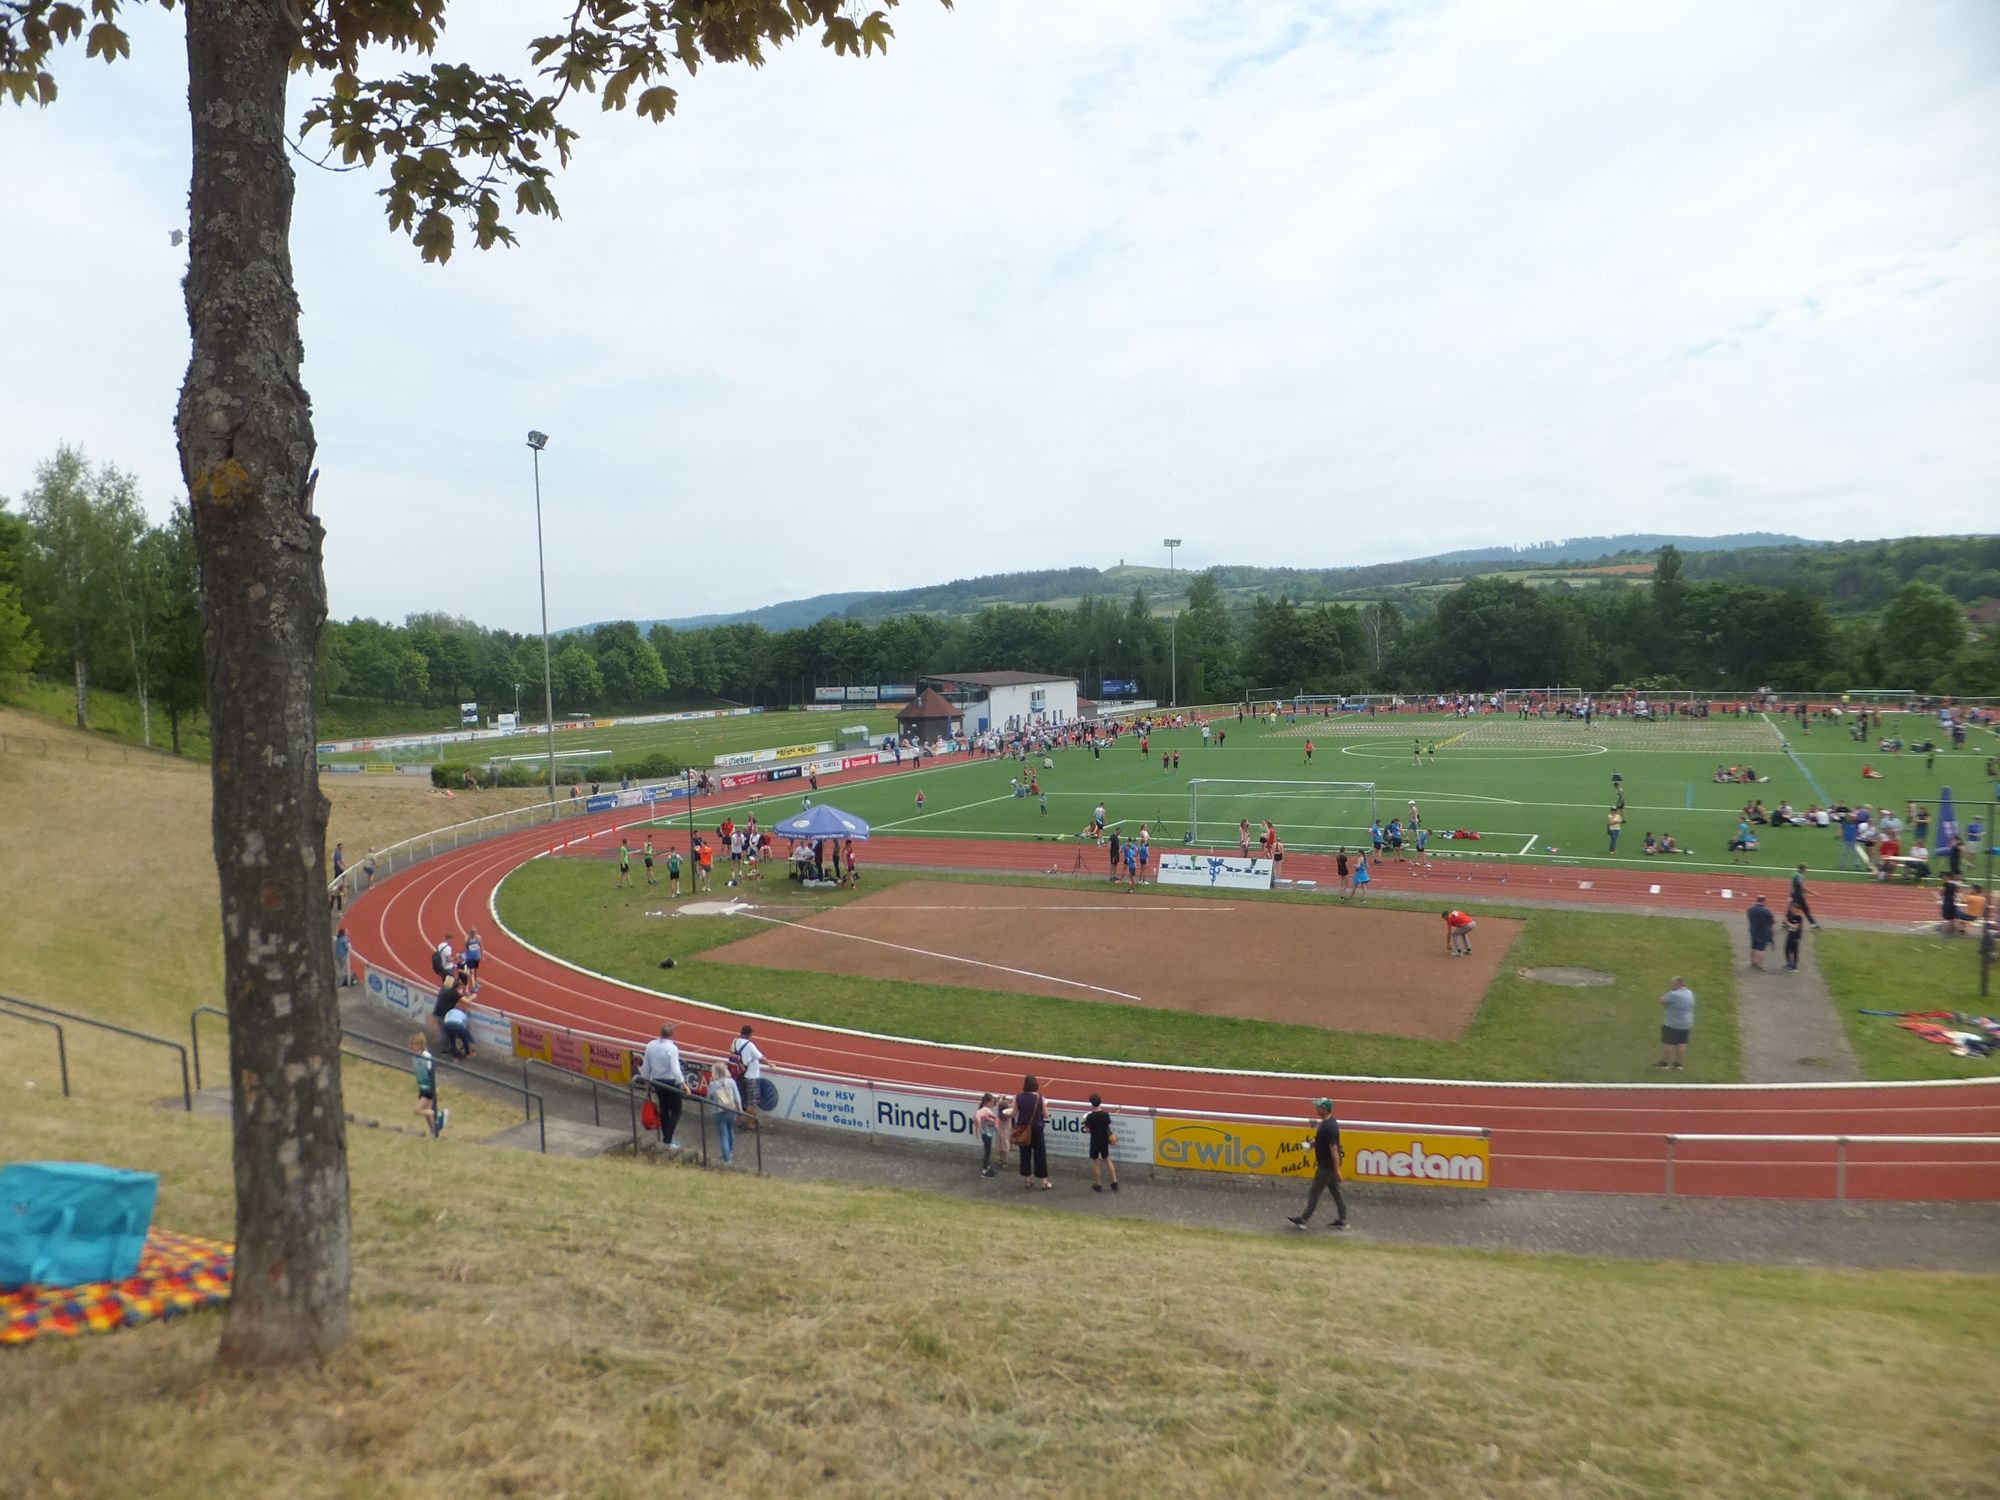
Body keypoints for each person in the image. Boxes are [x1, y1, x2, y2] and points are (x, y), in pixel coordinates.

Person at [1286, 1098, 1348, 1231]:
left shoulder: (1329, 1127)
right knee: (1334, 1190)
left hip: (1327, 1166)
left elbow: (1334, 1149)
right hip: (1329, 1164)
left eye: (1318, 1107)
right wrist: (1311, 1145)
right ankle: (1342, 1218)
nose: (1316, 1109)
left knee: (1315, 1191)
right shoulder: (1327, 1123)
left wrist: (1337, 1170)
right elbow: (1322, 1141)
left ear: (1324, 1109)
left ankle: (1304, 1219)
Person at [640, 1023, 686, 1152]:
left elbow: (646, 1067)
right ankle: (667, 1140)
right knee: (676, 1111)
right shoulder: (672, 1048)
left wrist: (647, 1083)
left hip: (657, 1082)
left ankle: (666, 1139)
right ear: (672, 1034)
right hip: (671, 1082)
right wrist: (684, 1084)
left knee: (664, 1109)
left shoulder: (650, 1045)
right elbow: (676, 1070)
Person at [1014, 1075, 1052, 1189]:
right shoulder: (1040, 1098)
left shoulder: (1018, 1097)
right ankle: (1044, 1181)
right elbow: (1046, 1115)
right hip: (1037, 1128)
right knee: (1040, 1154)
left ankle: (1027, 1179)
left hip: (1023, 1128)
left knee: (1025, 1154)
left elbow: (1013, 1113)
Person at [409, 1032, 446, 1137]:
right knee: (427, 1113)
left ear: (419, 1045)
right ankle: (434, 1132)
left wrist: (435, 1087)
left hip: (429, 1087)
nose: (410, 1046)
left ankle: (439, 1115)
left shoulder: (426, 1056)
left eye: (412, 1044)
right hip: (422, 1086)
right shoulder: (415, 1056)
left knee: (418, 1110)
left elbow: (431, 1072)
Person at [707, 1064, 744, 1165]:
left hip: (719, 1112)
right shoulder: (731, 1081)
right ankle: (729, 1153)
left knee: (723, 1135)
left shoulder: (713, 1084)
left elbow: (708, 1098)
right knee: (730, 1130)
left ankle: (726, 1159)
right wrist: (740, 1110)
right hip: (731, 1110)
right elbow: (737, 1096)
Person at [1656, 976, 1695, 1071]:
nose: (1671, 985)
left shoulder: (1673, 994)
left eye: (1672, 984)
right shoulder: (1689, 993)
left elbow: (1662, 1001)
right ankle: (1678, 1064)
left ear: (1678, 984)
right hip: (1686, 1024)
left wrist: (1664, 996)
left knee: (1669, 1043)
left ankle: (1664, 1063)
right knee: (1682, 1043)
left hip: (1672, 1024)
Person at [1084, 1093, 1119, 1192]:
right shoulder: (1106, 1115)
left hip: (1095, 1141)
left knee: (1096, 1163)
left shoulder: (1090, 1117)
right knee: (1108, 1160)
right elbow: (1107, 1127)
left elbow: (1087, 1130)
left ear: (1091, 1103)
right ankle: (1114, 1182)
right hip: (1104, 1141)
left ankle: (1098, 1184)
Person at [729, 1025, 766, 1117]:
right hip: (751, 1076)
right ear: (749, 1034)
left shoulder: (735, 1041)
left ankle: (740, 1119)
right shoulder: (749, 1045)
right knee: (751, 1102)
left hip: (739, 1074)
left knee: (741, 1099)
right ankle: (750, 1121)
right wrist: (770, 1064)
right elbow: (761, 1057)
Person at [1746, 896, 1775, 971]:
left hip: (1753, 930)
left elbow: (1749, 918)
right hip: (1762, 931)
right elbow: (1772, 921)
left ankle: (1753, 962)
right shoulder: (1766, 911)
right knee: (1761, 949)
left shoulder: (1751, 909)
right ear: (1764, 901)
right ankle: (1759, 965)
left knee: (1753, 947)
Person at [976, 1092, 999, 1178]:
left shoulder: (982, 1110)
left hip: (986, 1133)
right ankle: (984, 1171)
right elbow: (995, 1118)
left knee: (988, 1151)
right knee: (987, 1151)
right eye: (992, 1102)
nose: (993, 1104)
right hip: (986, 1133)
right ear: (987, 1102)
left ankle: (987, 1167)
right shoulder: (986, 1110)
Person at [1783, 900, 1805, 971]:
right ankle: (1789, 964)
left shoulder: (1799, 917)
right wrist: (1786, 922)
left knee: (1794, 951)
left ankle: (1795, 966)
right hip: (1790, 933)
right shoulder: (1790, 913)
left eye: (1793, 908)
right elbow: (1785, 920)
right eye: (1791, 907)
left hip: (1796, 936)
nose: (1791, 909)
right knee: (1786, 950)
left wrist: (1787, 923)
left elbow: (1795, 927)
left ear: (1797, 909)